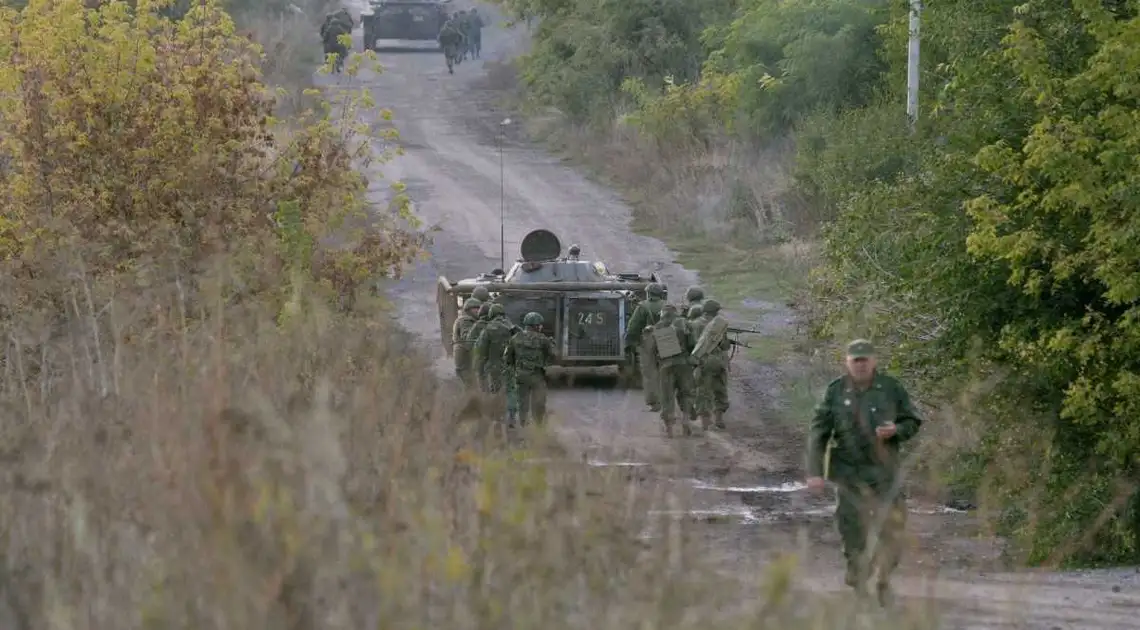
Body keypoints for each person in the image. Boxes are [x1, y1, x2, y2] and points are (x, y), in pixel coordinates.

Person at [806, 339, 923, 606]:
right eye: (855, 360)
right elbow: (818, 433)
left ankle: (883, 579)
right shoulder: (835, 391)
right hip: (848, 471)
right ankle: (859, 576)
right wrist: (815, 472)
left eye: (864, 360)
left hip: (884, 471)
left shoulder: (890, 388)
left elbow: (912, 419)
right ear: (847, 362)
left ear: (874, 361)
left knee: (892, 527)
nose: (860, 365)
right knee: (852, 528)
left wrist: (897, 430)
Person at [651, 303, 698, 437]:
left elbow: (653, 351)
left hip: (666, 366)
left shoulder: (658, 327)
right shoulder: (684, 324)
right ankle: (686, 420)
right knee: (686, 393)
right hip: (683, 364)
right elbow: (693, 345)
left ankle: (669, 427)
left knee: (667, 396)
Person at [504, 312, 555, 426]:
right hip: (537, 376)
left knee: (523, 402)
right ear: (536, 325)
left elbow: (508, 357)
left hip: (520, 375)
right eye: (540, 324)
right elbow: (553, 355)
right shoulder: (543, 339)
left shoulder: (515, 338)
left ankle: (523, 423)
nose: (541, 327)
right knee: (539, 402)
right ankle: (538, 426)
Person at [474, 304, 518, 424]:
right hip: (510, 365)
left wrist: (480, 367)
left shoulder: (488, 329)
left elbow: (480, 350)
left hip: (494, 367)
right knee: (510, 390)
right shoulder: (512, 327)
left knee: (495, 391)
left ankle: (497, 417)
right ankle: (512, 415)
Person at [625, 283, 665, 411]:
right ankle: (668, 400)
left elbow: (633, 327)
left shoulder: (643, 306)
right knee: (666, 370)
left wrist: (629, 342)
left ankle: (655, 402)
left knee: (649, 371)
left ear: (648, 293)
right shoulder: (668, 306)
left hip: (649, 340)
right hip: (667, 339)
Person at [690, 299, 730, 430]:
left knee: (703, 389)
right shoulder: (719, 324)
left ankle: (705, 421)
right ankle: (719, 417)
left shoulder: (694, 324)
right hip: (718, 361)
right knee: (720, 388)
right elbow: (724, 345)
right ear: (716, 311)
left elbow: (691, 345)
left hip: (703, 361)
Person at [451, 297, 482, 386]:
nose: (477, 311)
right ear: (468, 309)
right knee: (470, 385)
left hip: (464, 356)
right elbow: (468, 337)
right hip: (465, 356)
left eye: (478, 308)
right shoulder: (466, 320)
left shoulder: (466, 319)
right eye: (475, 308)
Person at [466, 302, 494, 383]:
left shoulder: (476, 326)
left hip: (479, 360)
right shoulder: (495, 325)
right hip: (493, 361)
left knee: (482, 383)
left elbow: (468, 344)